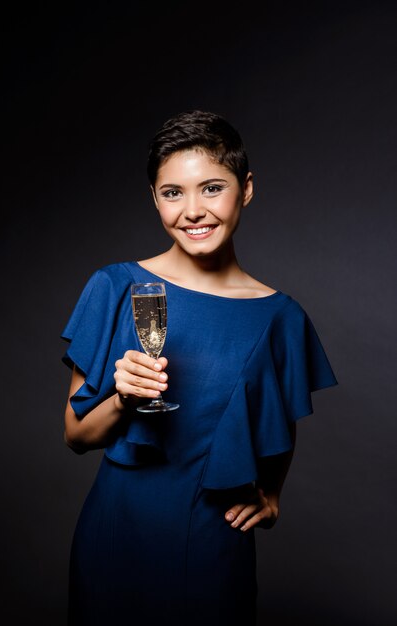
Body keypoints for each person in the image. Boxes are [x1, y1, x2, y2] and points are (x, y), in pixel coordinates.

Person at [60, 109, 338, 626]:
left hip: (213, 549)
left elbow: (280, 424)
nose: (193, 210)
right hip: (115, 539)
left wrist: (271, 498)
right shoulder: (116, 287)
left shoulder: (280, 316)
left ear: (246, 189)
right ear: (155, 198)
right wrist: (123, 398)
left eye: (212, 188)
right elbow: (76, 435)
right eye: (173, 193)